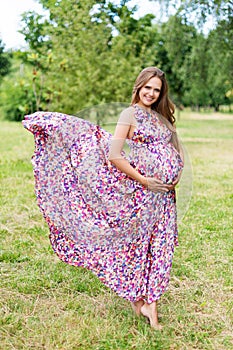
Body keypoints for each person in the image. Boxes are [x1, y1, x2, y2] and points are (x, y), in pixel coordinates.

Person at [23, 66, 184, 330]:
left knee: (161, 245)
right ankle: (139, 300)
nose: (152, 93)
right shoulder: (129, 114)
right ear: (139, 86)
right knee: (136, 246)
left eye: (157, 90)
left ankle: (151, 302)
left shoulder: (161, 116)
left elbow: (173, 145)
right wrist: (145, 180)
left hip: (165, 195)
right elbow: (114, 154)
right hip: (143, 192)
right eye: (148, 88)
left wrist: (177, 172)